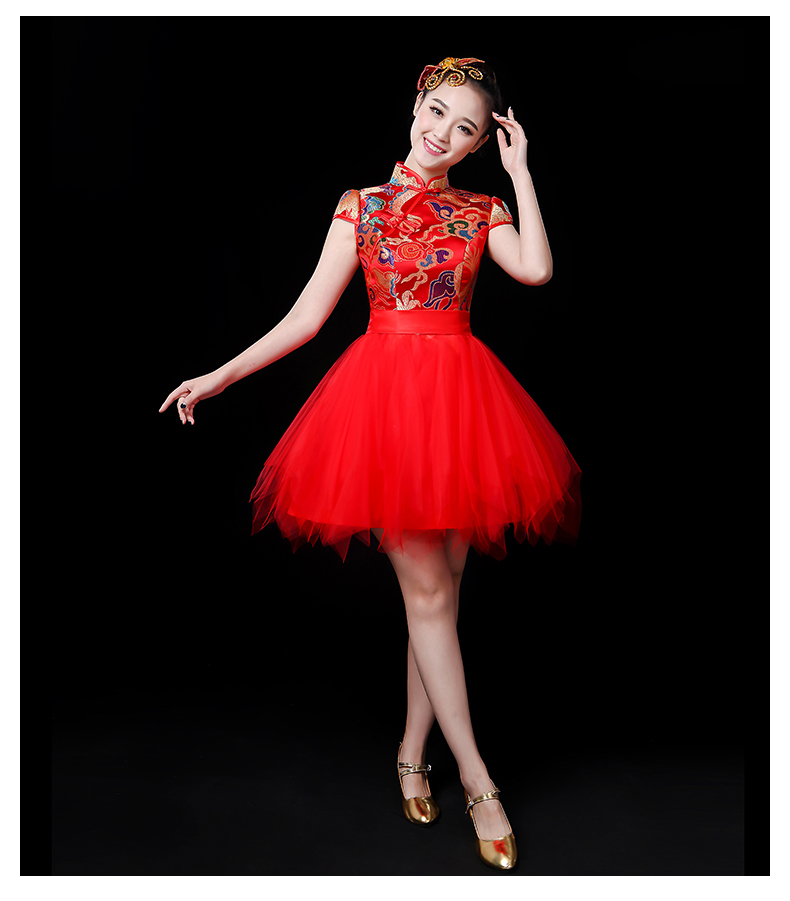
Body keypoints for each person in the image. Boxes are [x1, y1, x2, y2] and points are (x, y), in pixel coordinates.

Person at [159, 57, 581, 871]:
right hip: (383, 410)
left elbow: (535, 269)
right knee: (430, 596)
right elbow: (305, 318)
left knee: (439, 598)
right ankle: (479, 782)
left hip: (462, 410)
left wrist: (521, 172)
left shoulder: (482, 207)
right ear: (418, 103)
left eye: (465, 127)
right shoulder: (362, 206)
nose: (443, 132)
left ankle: (410, 754)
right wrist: (220, 374)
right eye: (438, 111)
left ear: (479, 145)